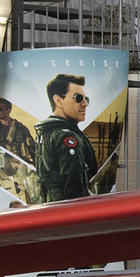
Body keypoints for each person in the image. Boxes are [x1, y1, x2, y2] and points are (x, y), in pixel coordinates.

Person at [35, 73, 99, 202]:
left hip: (51, 210)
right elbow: (74, 191)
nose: (85, 104)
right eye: (78, 98)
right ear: (58, 100)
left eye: (86, 99)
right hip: (69, 214)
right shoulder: (67, 137)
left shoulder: (45, 132)